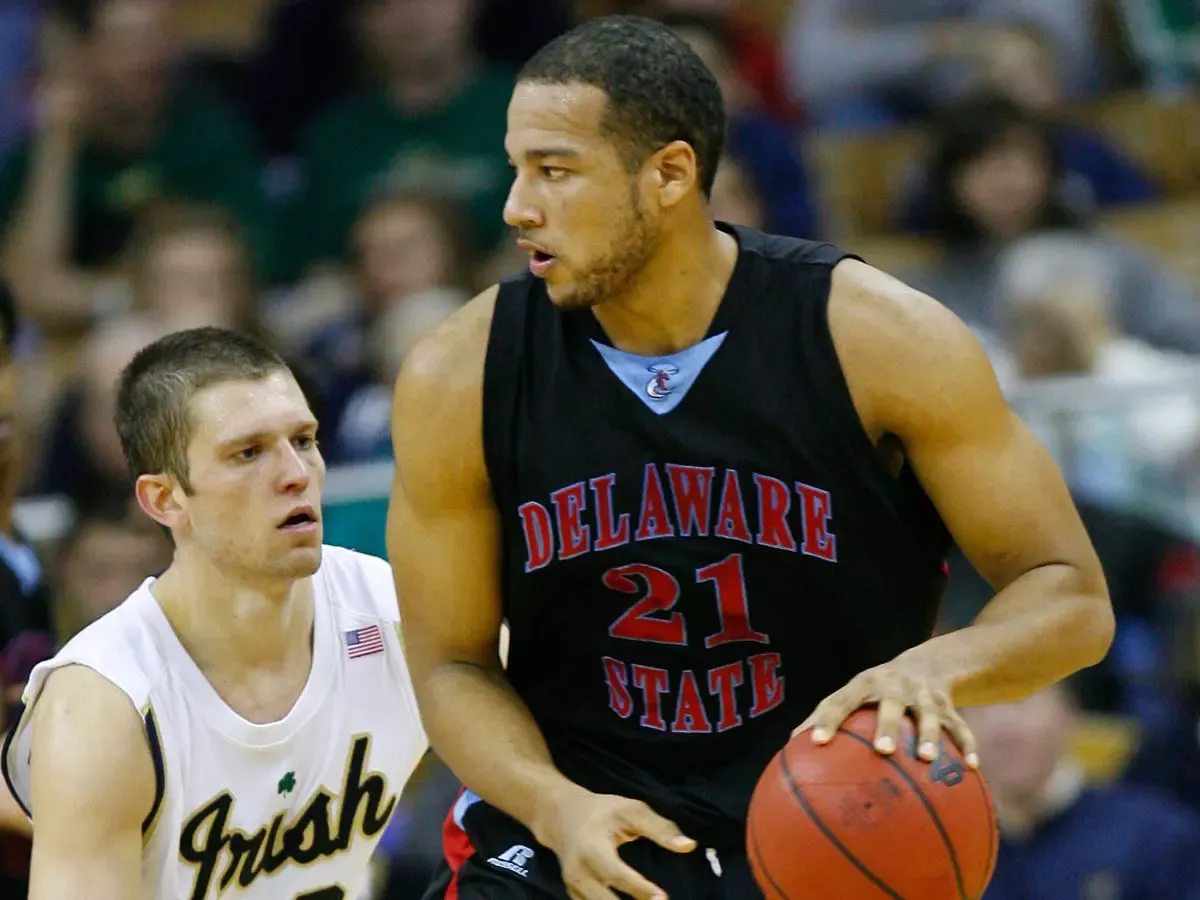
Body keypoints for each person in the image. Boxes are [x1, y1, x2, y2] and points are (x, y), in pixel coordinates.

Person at [387, 16, 1114, 900]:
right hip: (574, 828)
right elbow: (451, 664)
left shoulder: (877, 339)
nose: (516, 205)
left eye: (555, 170)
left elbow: (1069, 593)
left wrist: (936, 665)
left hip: (829, 819)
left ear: (670, 175)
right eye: (516, 167)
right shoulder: (458, 374)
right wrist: (550, 805)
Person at [3, 326, 428, 898]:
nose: (295, 473)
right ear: (165, 499)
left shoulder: (394, 613)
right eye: (247, 453)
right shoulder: (104, 705)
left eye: (303, 440)